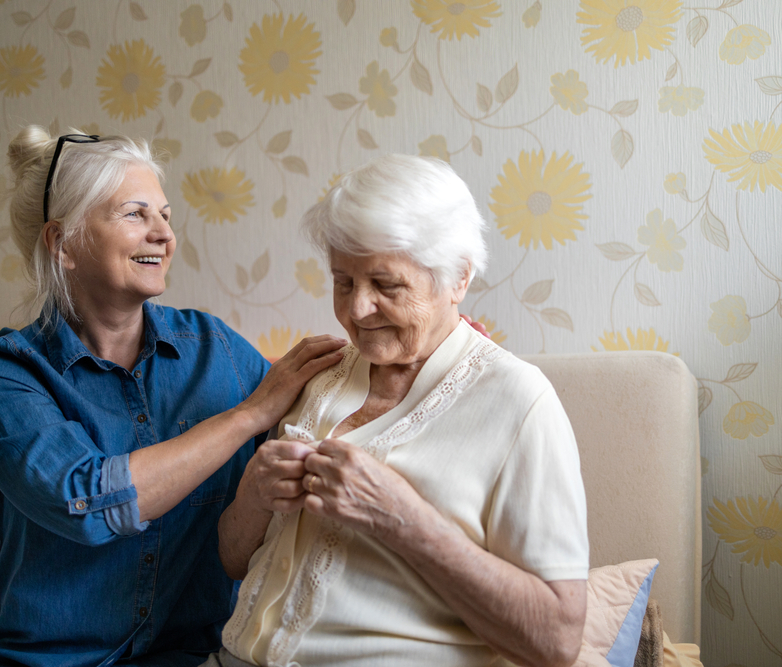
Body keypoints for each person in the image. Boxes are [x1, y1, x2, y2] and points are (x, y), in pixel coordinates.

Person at [0, 127, 346, 666]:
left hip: (194, 657)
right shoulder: (3, 373)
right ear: (63, 243)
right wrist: (245, 417)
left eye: (165, 215)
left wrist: (431, 354)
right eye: (135, 214)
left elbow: (330, 408)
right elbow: (87, 503)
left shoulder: (215, 349)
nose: (164, 234)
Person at [211, 155, 590, 667]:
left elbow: (557, 641)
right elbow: (233, 562)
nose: (357, 310)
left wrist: (403, 520)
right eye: (343, 282)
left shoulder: (520, 401)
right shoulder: (314, 373)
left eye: (386, 286)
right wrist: (255, 491)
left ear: (457, 279)